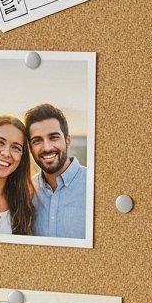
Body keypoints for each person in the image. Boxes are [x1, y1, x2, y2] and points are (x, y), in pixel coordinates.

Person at [24, 103, 87, 240]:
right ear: (30, 148)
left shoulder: (93, 185)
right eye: (37, 141)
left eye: (53, 137)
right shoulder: (27, 191)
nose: (46, 148)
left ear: (67, 140)